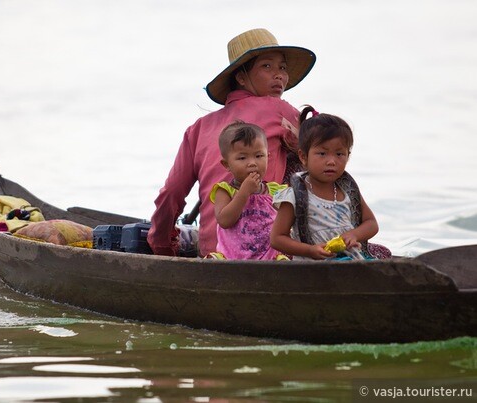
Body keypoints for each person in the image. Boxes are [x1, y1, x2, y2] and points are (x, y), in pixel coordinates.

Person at [148, 28, 316, 257]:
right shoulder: (280, 111)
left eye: (282, 68)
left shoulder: (198, 128)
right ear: (241, 77)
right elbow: (324, 150)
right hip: (263, 252)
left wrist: (162, 247)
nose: (279, 76)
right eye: (267, 66)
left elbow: (171, 194)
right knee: (311, 158)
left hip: (213, 251)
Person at [270, 106, 379, 260]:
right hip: (314, 270)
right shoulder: (293, 194)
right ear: (303, 156)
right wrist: (309, 250)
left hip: (349, 262)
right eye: (322, 153)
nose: (331, 161)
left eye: (340, 154)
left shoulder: (347, 190)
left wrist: (354, 234)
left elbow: (371, 223)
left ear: (348, 155)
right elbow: (277, 238)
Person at [209, 121, 287, 260]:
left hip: (269, 258)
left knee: (284, 260)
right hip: (232, 258)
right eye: (242, 158)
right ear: (226, 164)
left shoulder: (276, 191)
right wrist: (244, 192)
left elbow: (287, 222)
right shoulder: (225, 191)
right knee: (212, 262)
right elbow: (224, 221)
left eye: (259, 156)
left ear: (268, 157)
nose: (252, 163)